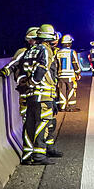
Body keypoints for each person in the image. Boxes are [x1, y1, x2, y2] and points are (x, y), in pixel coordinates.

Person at [19, 23, 61, 165]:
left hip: (30, 95)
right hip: (43, 94)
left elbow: (23, 70)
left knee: (30, 125)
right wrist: (34, 82)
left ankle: (27, 155)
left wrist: (28, 84)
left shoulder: (31, 50)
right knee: (42, 124)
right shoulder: (46, 50)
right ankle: (39, 156)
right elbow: (43, 68)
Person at [0, 26, 38, 119]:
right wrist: (4, 71)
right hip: (25, 87)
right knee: (27, 113)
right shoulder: (24, 52)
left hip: (38, 88)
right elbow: (12, 64)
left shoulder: (42, 52)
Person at [55, 34, 82, 112]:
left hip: (60, 76)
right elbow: (75, 63)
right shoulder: (72, 52)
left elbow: (56, 65)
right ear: (69, 43)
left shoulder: (58, 52)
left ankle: (62, 107)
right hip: (70, 76)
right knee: (71, 90)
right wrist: (78, 72)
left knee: (61, 91)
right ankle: (71, 107)